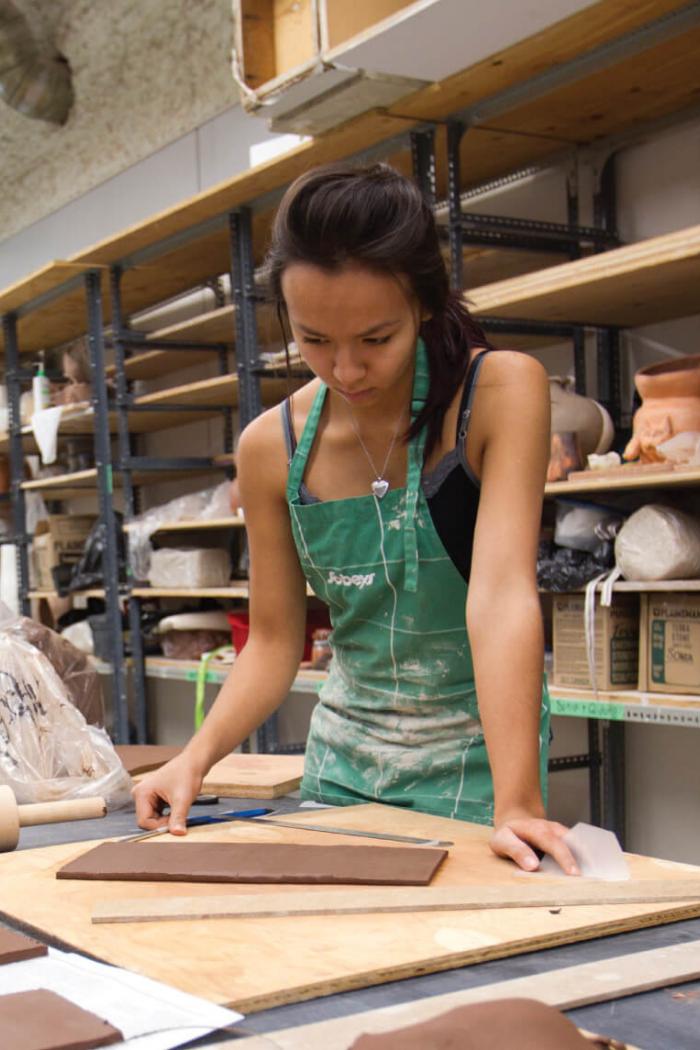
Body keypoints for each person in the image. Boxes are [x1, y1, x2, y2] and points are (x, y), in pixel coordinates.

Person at [133, 162, 578, 875]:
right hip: (343, 767)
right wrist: (194, 760)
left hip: (480, 763)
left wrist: (518, 803)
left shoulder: (497, 393)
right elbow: (275, 641)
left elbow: (500, 598)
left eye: (376, 339)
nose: (346, 370)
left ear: (424, 304)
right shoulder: (269, 447)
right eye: (314, 341)